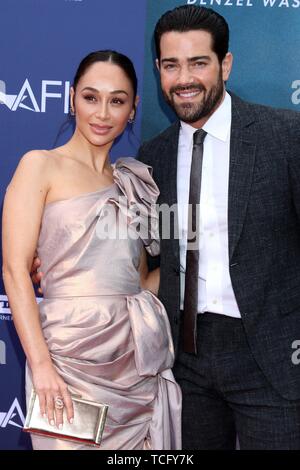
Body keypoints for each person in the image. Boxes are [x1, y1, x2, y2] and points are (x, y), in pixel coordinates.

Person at [136, 5, 300, 450]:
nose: (184, 78)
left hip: (273, 360)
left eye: (198, 62)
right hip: (185, 361)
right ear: (158, 71)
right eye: (172, 65)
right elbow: (142, 258)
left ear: (225, 64)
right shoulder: (154, 156)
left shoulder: (285, 137)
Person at [2, 50, 181, 450]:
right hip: (68, 359)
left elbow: (138, 281)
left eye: (117, 100)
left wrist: (195, 247)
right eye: (90, 97)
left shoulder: (131, 182)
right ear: (71, 99)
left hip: (134, 361)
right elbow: (15, 271)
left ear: (133, 109)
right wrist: (41, 365)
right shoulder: (40, 166)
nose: (102, 113)